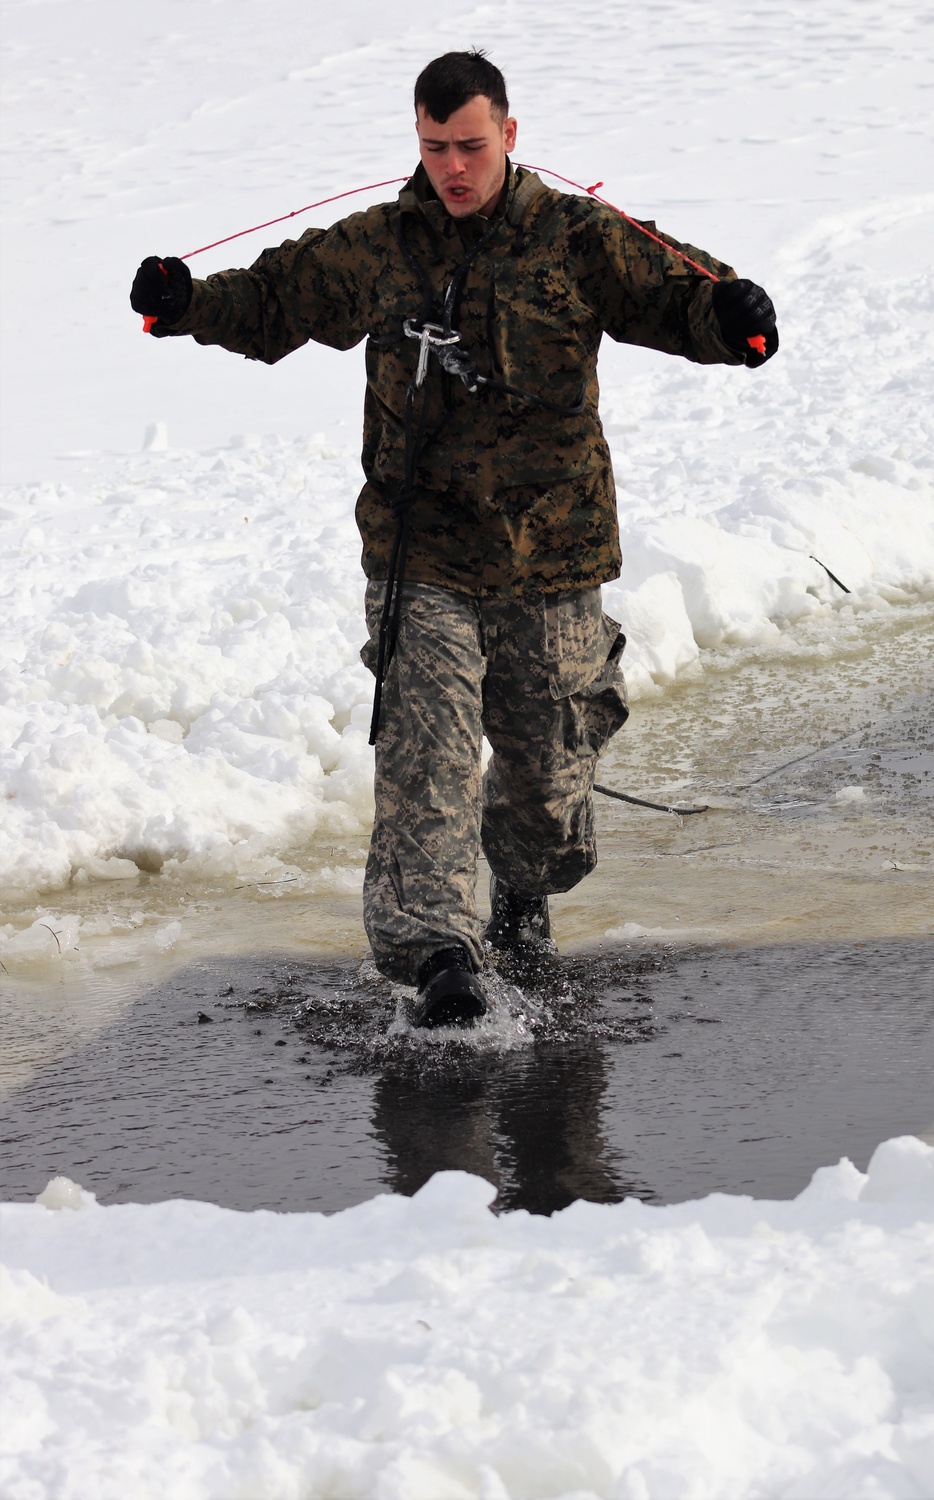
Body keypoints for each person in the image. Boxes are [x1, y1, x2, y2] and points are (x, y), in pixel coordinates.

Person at [130, 50, 778, 1029]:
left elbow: (680, 297)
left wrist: (734, 319)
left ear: (509, 137)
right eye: (435, 147)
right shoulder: (383, 245)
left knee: (549, 788)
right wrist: (183, 304)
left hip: (550, 559)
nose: (453, 168)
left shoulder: (576, 239)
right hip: (420, 558)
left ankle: (520, 888)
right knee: (426, 756)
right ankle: (434, 952)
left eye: (470, 146)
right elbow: (275, 300)